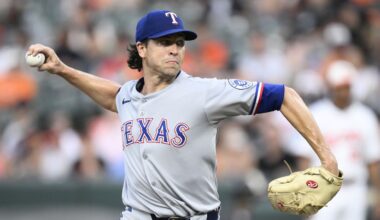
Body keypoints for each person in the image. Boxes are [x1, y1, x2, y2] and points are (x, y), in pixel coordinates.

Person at [27, 9, 340, 220]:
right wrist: (62, 69)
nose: (175, 49)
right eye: (165, 42)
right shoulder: (128, 96)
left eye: (179, 43)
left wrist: (327, 160)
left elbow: (286, 95)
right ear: (142, 49)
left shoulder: (203, 93)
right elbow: (114, 96)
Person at [290, 60, 380, 220]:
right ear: (330, 88)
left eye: (346, 88)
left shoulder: (365, 116)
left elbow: (373, 161)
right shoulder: (316, 114)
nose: (343, 93)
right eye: (339, 88)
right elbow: (303, 158)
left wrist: (378, 195)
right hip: (322, 189)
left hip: (355, 188)